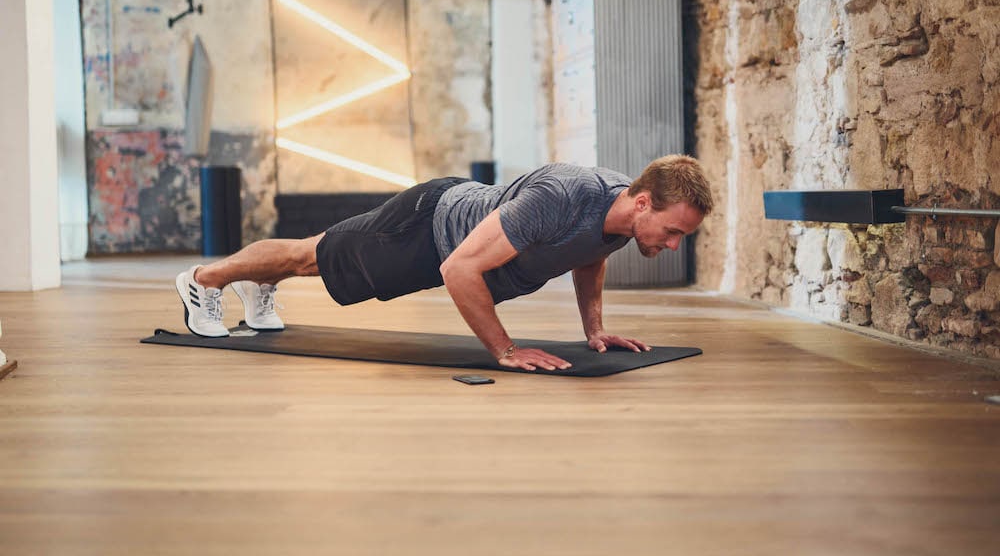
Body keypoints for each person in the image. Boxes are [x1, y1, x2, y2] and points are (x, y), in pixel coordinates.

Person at [175, 155, 714, 372]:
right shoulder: (565, 197)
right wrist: (504, 350)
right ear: (643, 202)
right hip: (426, 227)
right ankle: (203, 281)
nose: (671, 246)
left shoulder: (621, 219)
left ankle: (255, 289)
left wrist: (594, 330)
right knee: (308, 257)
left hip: (451, 222)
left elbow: (588, 255)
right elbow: (459, 269)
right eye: (672, 233)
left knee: (310, 258)